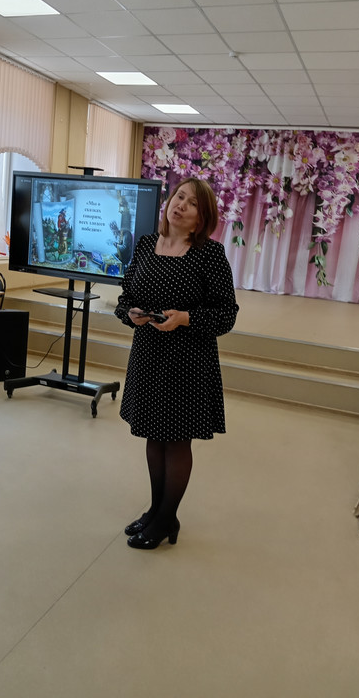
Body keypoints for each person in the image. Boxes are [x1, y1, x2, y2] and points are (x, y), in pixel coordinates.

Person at [115, 177, 239, 549]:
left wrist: (186, 318)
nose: (181, 205)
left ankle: (166, 518)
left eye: (192, 203)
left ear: (202, 218)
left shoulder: (209, 254)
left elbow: (226, 314)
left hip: (188, 361)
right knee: (153, 435)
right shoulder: (146, 244)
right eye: (179, 196)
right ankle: (157, 511)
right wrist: (130, 313)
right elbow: (126, 295)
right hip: (148, 354)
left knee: (176, 440)